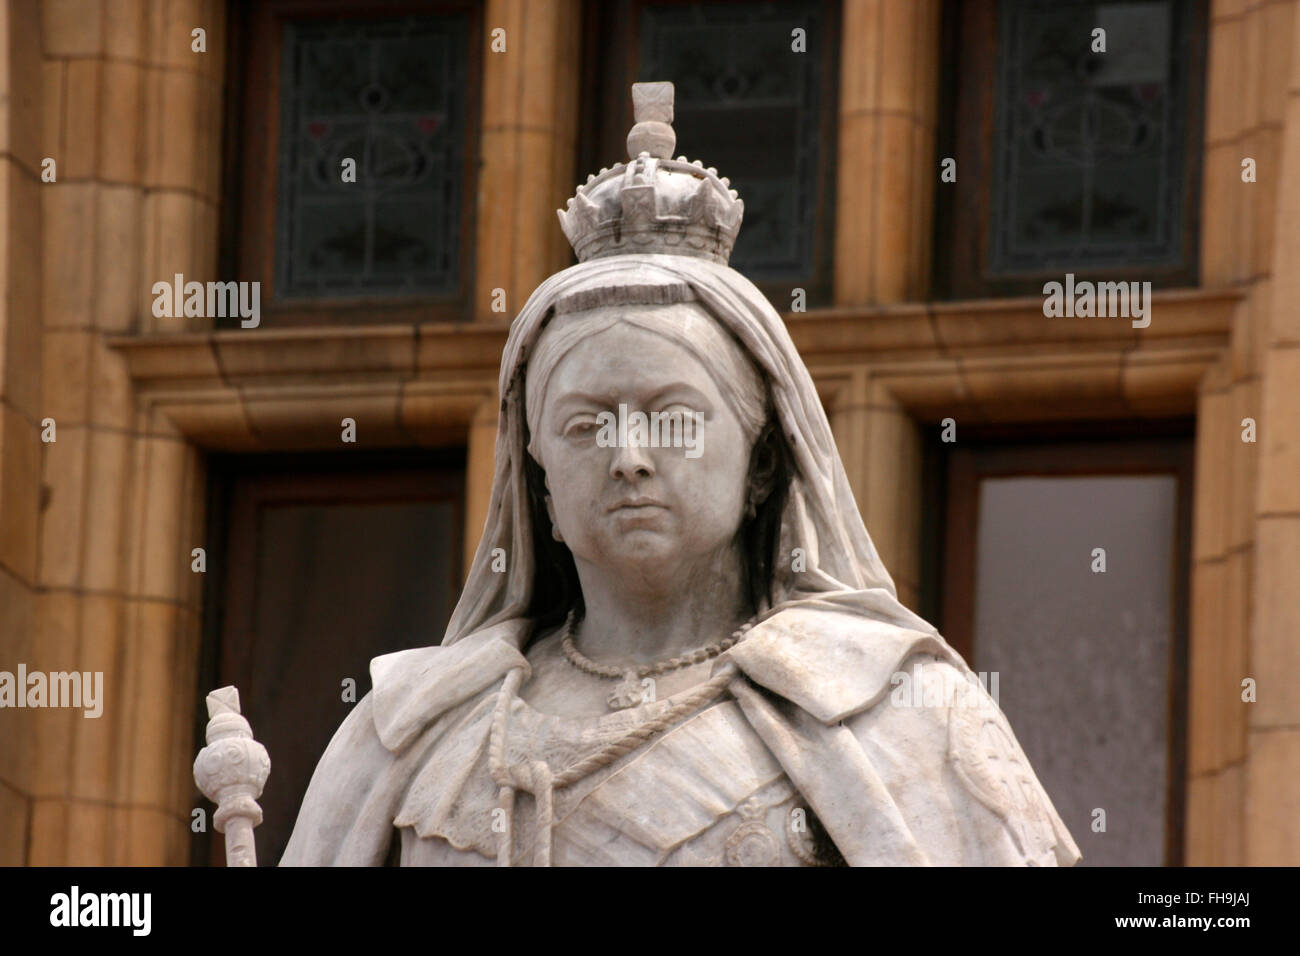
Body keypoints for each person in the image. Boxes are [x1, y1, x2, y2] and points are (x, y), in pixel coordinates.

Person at [280, 83, 1080, 867]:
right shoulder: (408, 733)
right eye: (586, 425)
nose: (630, 454)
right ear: (541, 484)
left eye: (675, 417)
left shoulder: (898, 712)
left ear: (763, 462)